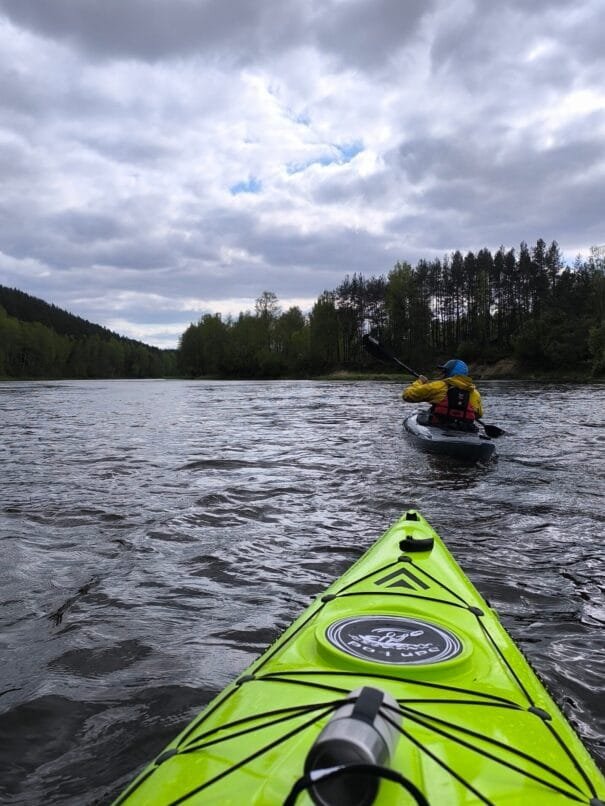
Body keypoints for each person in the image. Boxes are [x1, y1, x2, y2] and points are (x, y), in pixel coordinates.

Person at [402, 359, 483, 428]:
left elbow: (407, 395)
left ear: (449, 373)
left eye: (444, 371)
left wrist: (420, 382)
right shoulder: (474, 393)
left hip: (439, 427)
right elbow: (478, 414)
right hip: (464, 429)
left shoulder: (439, 386)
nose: (442, 373)